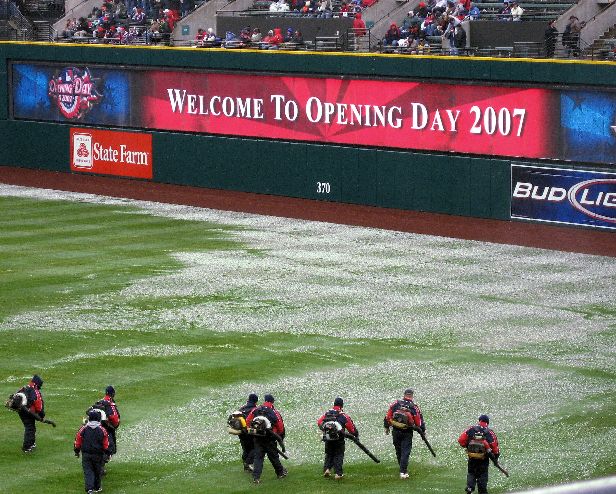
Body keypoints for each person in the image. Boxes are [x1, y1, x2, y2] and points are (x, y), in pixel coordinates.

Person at [245, 394, 287, 484]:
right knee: (273, 457)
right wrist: (278, 436)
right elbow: (280, 427)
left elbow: (248, 421)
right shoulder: (274, 412)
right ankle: (280, 473)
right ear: (272, 402)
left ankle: (256, 478)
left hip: (257, 438)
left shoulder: (256, 409)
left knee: (258, 458)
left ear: (264, 401)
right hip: (270, 438)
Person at [384, 388, 425, 479]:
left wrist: (386, 427)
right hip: (407, 432)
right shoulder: (414, 406)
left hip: (395, 430)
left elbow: (388, 416)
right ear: (412, 395)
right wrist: (422, 431)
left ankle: (401, 468)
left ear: (404, 394)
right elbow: (419, 421)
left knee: (398, 450)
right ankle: (403, 472)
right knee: (405, 452)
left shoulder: (396, 403)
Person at [317, 397, 358, 480]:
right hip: (339, 439)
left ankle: (327, 469)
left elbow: (319, 422)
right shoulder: (343, 415)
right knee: (339, 455)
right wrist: (355, 435)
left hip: (328, 438)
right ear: (342, 405)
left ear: (334, 404)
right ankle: (338, 474)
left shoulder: (327, 413)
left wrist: (324, 430)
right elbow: (351, 429)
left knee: (329, 453)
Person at [458, 414, 501, 494]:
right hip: (483, 460)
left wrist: (468, 446)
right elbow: (495, 449)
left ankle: (470, 487)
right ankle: (482, 491)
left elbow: (461, 440)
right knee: (482, 477)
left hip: (472, 458)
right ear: (487, 423)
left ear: (479, 421)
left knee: (471, 473)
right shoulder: (490, 433)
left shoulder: (471, 429)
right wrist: (495, 459)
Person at [75, 410, 110, 494]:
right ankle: (97, 487)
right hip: (98, 454)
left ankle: (89, 489)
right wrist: (107, 453)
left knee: (88, 471)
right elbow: (106, 443)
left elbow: (78, 441)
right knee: (97, 471)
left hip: (86, 454)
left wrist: (77, 451)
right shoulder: (102, 430)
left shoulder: (83, 429)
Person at [14, 375, 45, 453]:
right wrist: (41, 415)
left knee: (30, 427)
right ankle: (27, 447)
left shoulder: (24, 387)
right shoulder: (35, 391)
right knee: (30, 428)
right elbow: (39, 407)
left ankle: (31, 443)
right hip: (29, 412)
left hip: (21, 411)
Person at [89, 385, 120, 461]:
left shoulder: (100, 401)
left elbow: (88, 411)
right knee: (110, 449)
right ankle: (100, 466)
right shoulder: (110, 403)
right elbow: (114, 418)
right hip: (107, 428)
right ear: (113, 394)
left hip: (95, 427)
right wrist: (114, 426)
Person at [230, 393, 259, 472]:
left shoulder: (241, 409)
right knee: (255, 448)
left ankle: (246, 466)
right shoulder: (255, 410)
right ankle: (248, 463)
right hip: (250, 433)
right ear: (256, 402)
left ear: (248, 400)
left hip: (240, 433)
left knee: (246, 449)